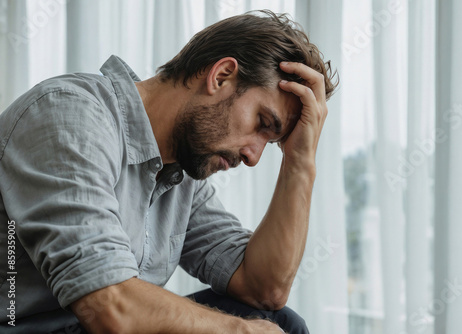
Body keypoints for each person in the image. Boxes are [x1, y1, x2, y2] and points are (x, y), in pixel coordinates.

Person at [0, 10, 336, 334]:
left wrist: (300, 162)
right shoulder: (69, 116)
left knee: (278, 321)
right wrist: (240, 331)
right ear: (220, 76)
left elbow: (263, 290)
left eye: (271, 142)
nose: (253, 157)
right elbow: (108, 309)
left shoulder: (181, 170)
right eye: (262, 124)